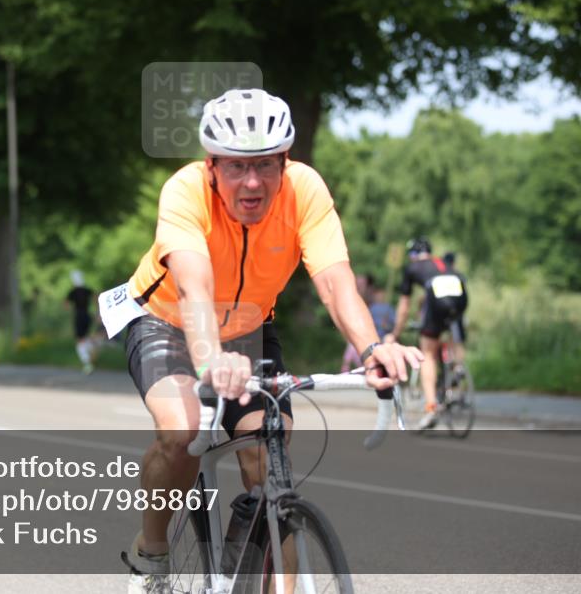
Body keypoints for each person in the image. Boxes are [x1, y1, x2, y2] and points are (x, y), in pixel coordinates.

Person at [101, 88, 422, 592]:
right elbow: (193, 288)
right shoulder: (185, 191)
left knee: (269, 457)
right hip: (168, 321)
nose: (253, 182)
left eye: (266, 166)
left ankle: (244, 561)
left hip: (248, 326)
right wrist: (210, 361)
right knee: (184, 430)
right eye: (236, 167)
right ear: (211, 167)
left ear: (284, 161)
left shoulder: (304, 191)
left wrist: (372, 347)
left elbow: (337, 283)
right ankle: (154, 550)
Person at [384, 237, 468, 430]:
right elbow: (429, 296)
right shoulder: (442, 263)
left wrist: (395, 333)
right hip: (461, 296)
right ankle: (457, 367)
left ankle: (431, 408)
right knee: (454, 326)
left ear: (413, 255)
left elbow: (404, 307)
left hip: (438, 302)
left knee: (428, 353)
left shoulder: (413, 268)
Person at [66, 270, 96, 373]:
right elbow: (96, 298)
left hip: (78, 316)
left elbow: (65, 304)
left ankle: (87, 362)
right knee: (86, 336)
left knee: (80, 340)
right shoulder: (87, 290)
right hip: (87, 315)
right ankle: (90, 351)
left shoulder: (73, 292)